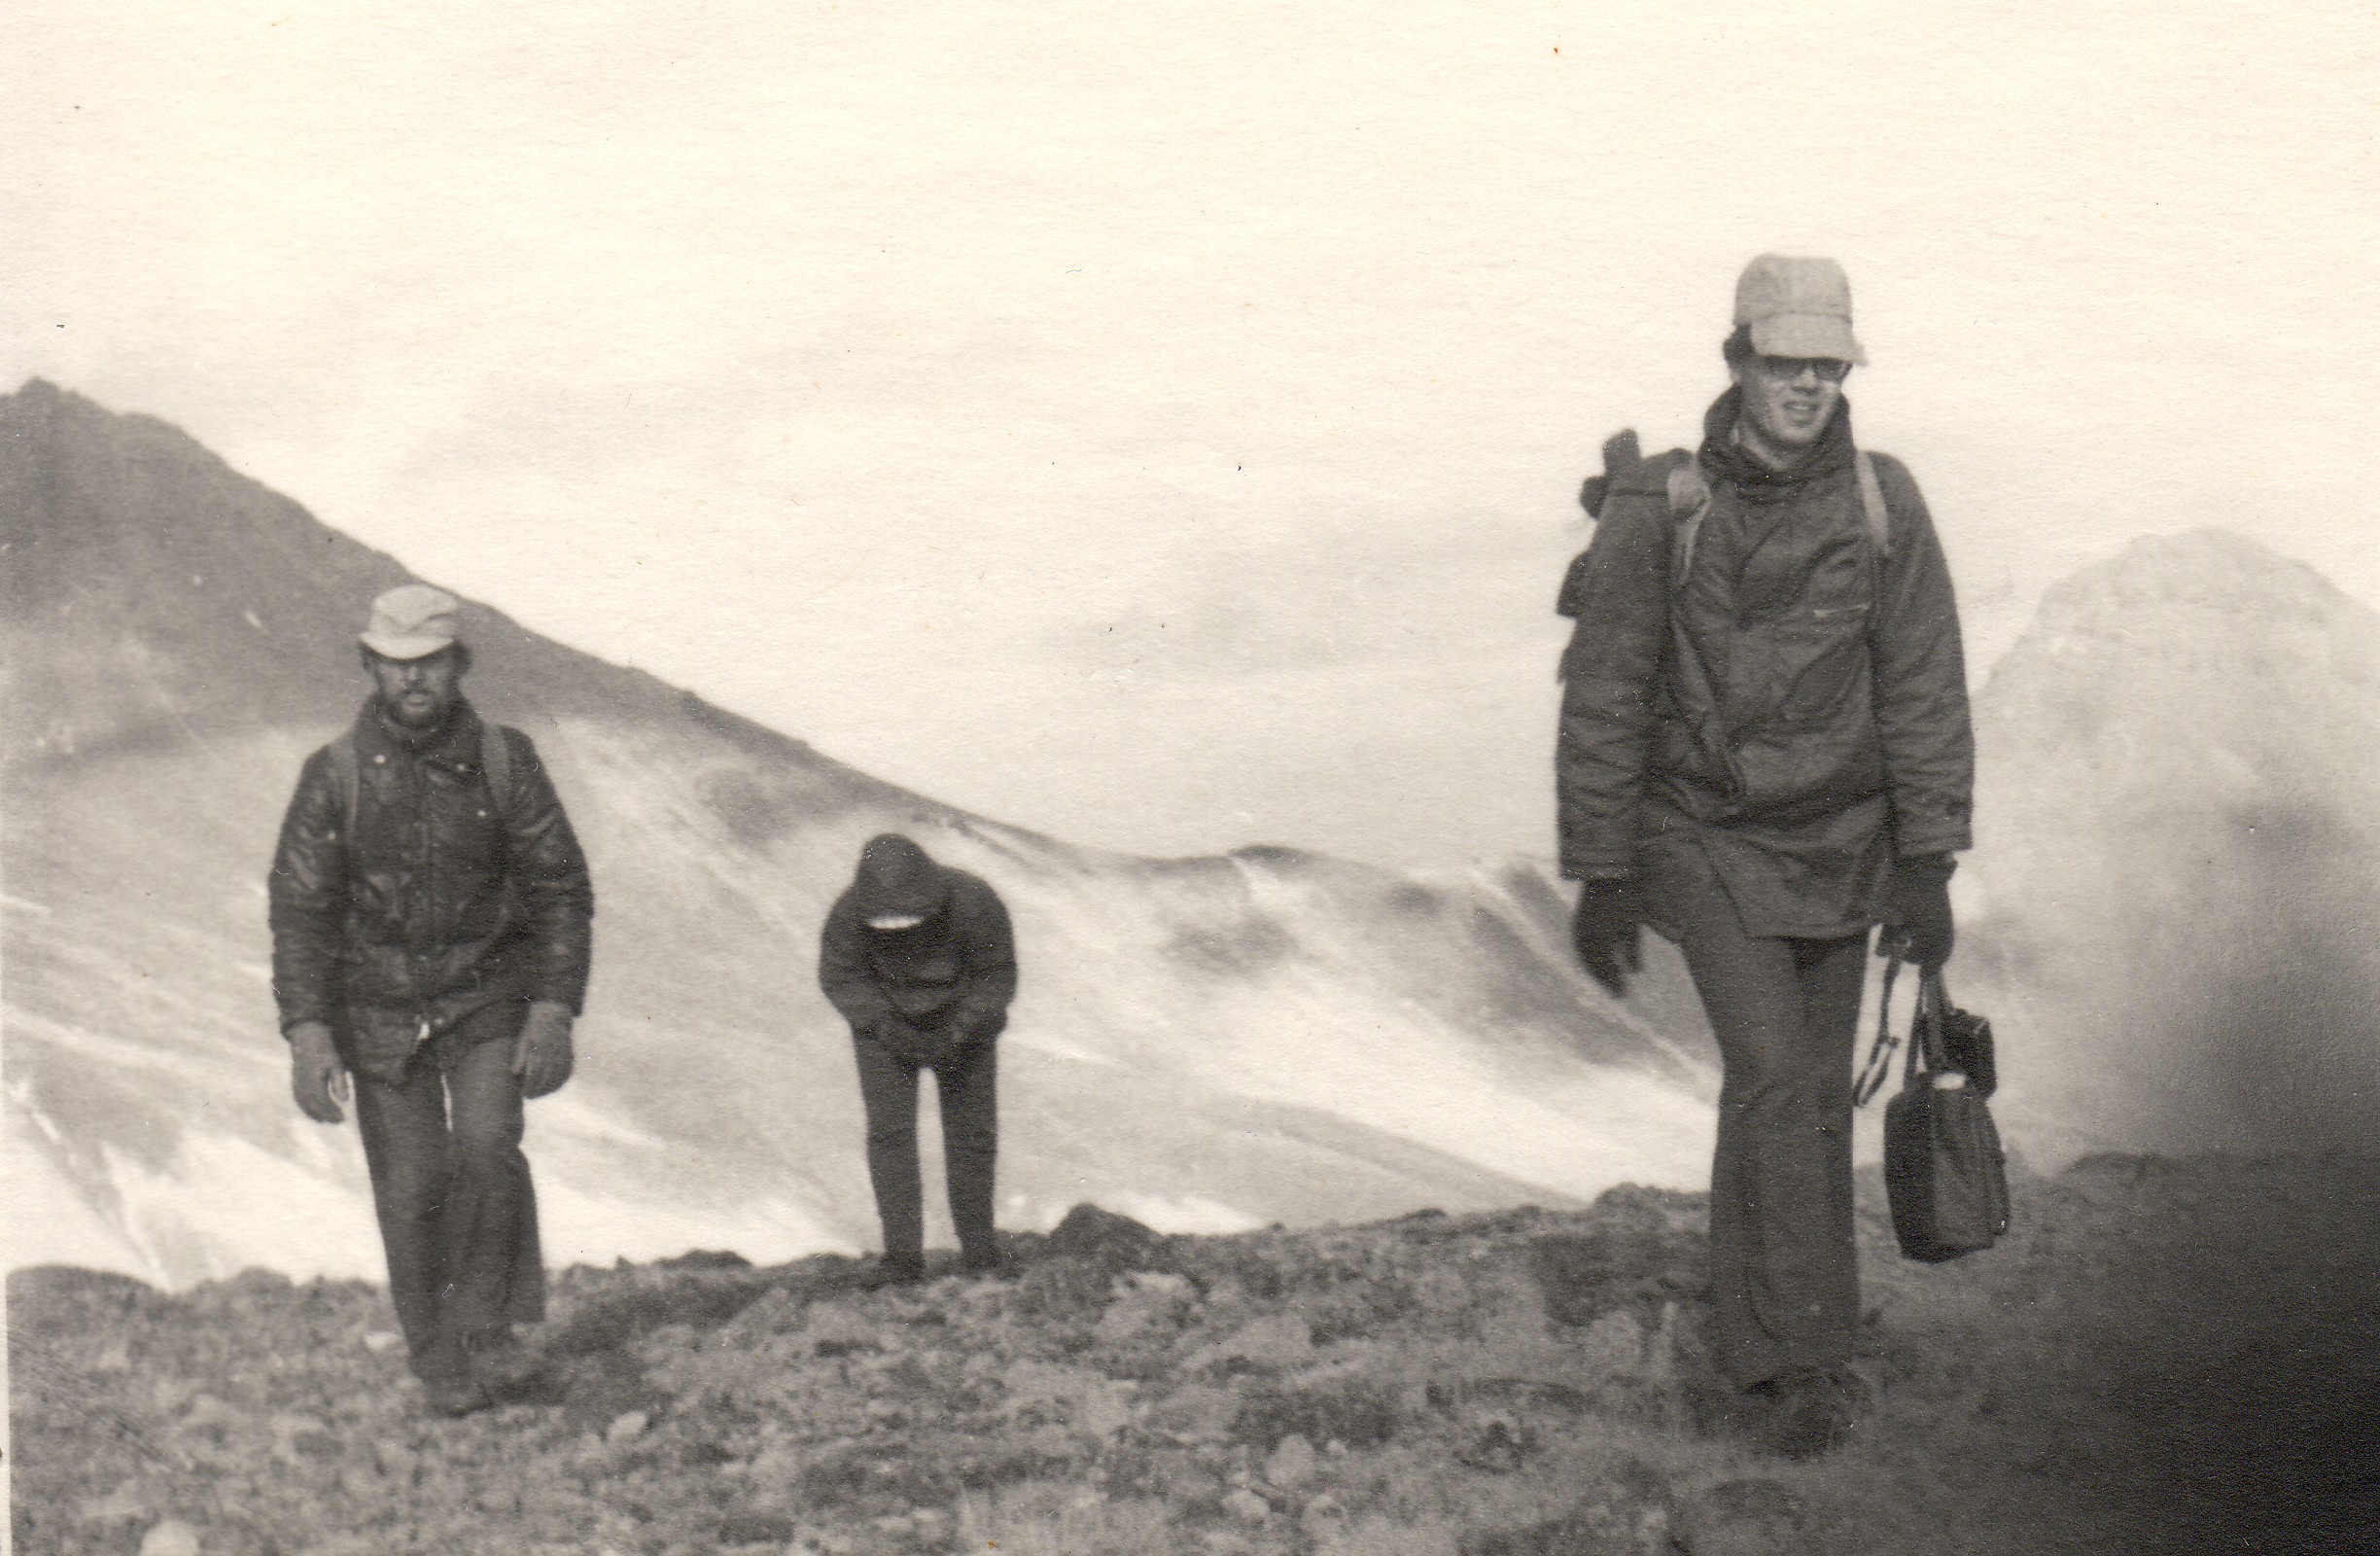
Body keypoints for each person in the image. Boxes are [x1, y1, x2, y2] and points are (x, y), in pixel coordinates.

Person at [1554, 255, 1973, 1457]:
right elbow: (1608, 691)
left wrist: (1929, 859)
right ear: (1738, 360)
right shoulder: (1661, 505)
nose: (1806, 385)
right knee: (1777, 1077)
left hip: (1842, 840)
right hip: (1701, 833)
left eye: (1826, 365)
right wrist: (1604, 869)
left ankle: (1798, 1341)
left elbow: (1923, 681)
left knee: (1810, 1097)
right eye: (1784, 362)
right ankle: (1787, 1363)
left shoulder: (1884, 499)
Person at [269, 584, 595, 1417]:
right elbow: (301, 910)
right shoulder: (333, 775)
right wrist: (309, 1032)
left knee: (487, 1145)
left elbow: (559, 887)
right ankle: (439, 1356)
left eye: (430, 662)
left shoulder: (505, 761)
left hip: (486, 996)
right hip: (376, 1012)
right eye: (395, 662)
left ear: (460, 665)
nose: (412, 678)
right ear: (370, 665)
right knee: (411, 1182)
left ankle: (490, 1331)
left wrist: (553, 1008)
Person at [819, 833, 1016, 1284]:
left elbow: (995, 976)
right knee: (890, 1135)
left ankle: (980, 1253)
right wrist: (886, 1028)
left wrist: (960, 1030)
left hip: (966, 1026)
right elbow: (841, 977)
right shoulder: (848, 913)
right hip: (884, 1029)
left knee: (971, 1135)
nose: (900, 928)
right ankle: (902, 1259)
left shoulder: (975, 901)